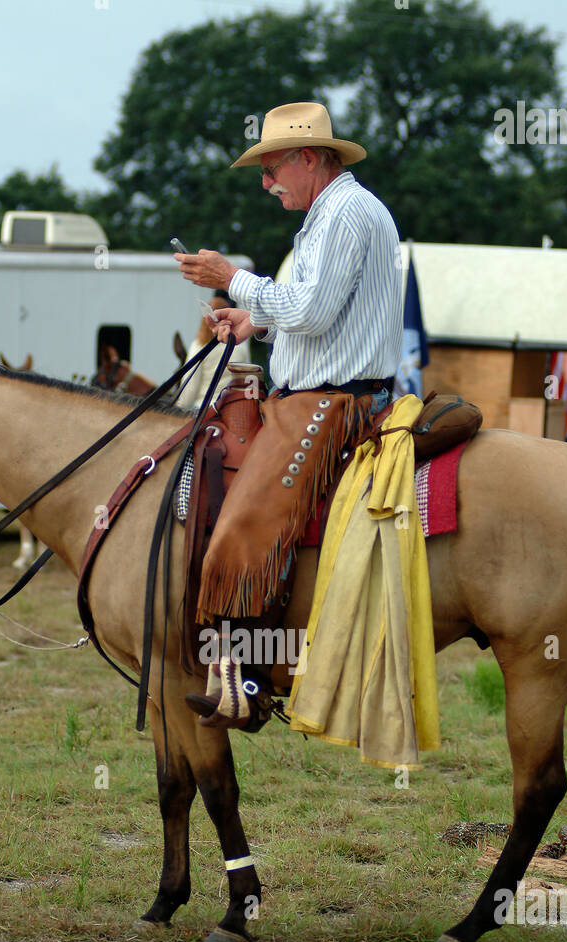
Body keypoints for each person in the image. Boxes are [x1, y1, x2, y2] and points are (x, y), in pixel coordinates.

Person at [174, 101, 402, 730]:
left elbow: (314, 311)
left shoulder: (347, 214)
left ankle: (244, 672)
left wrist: (233, 279)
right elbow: (311, 310)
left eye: (272, 169)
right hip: (316, 390)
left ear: (309, 158)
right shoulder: (332, 213)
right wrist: (252, 320)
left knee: (251, 509)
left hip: (334, 402)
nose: (267, 183)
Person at [175, 290, 251, 411]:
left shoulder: (199, 345)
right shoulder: (241, 345)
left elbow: (191, 386)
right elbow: (247, 378)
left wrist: (180, 407)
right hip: (232, 409)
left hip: (204, 408)